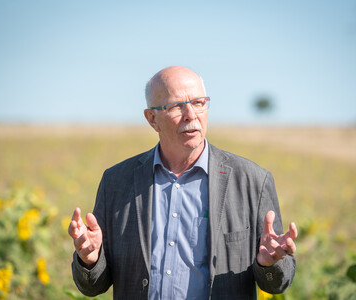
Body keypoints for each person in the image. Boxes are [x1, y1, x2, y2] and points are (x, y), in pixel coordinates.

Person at [68, 66, 298, 299]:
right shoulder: (117, 181)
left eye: (198, 102)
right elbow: (93, 286)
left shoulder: (253, 181)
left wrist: (270, 264)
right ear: (152, 119)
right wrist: (90, 260)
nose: (191, 115)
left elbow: (279, 283)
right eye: (176, 106)